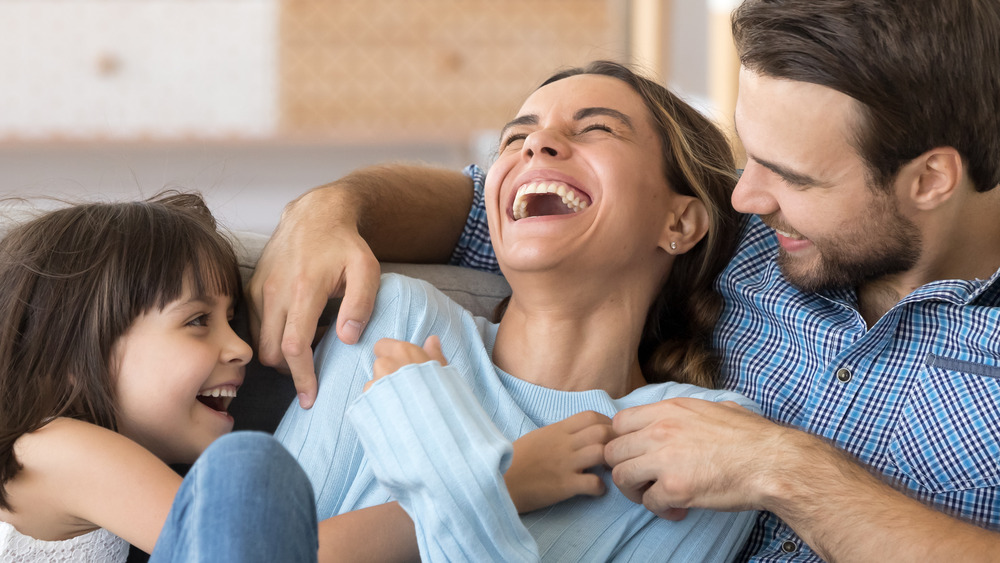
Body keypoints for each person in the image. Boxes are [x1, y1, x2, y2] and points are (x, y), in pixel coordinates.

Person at [248, 0, 1000, 561]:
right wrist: (333, 205)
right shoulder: (750, 231)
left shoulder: (684, 440)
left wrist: (781, 466)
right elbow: (484, 208)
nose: (746, 194)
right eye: (751, 155)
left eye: (790, 175)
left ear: (931, 178)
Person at [274, 60, 759, 561]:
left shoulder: (702, 442)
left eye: (596, 128)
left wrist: (439, 447)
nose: (536, 145)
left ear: (678, 222)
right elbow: (248, 547)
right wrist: (498, 483)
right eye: (514, 139)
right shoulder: (398, 320)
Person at [0, 193, 322, 562]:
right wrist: (404, 498)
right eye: (198, 320)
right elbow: (260, 552)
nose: (242, 348)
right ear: (69, 353)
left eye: (231, 321)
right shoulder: (55, 448)